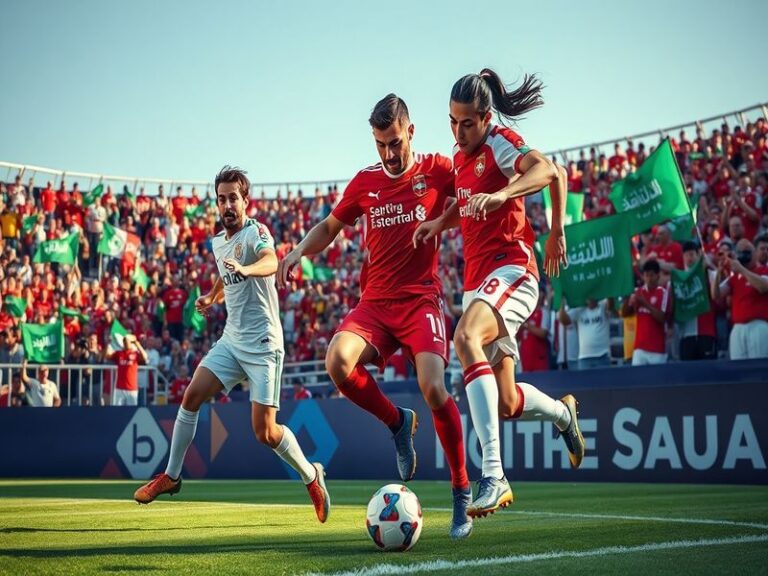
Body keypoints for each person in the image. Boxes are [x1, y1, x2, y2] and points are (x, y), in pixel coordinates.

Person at [278, 95, 472, 539]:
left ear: (411, 132)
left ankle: (461, 489)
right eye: (380, 144)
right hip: (376, 303)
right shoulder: (364, 182)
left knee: (433, 386)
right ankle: (397, 422)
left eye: (395, 142)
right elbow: (329, 226)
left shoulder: (438, 169)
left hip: (421, 299)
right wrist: (297, 251)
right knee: (337, 363)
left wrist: (442, 222)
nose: (388, 152)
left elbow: (469, 194)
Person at [413, 68, 584, 518]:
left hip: (513, 272)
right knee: (507, 402)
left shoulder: (501, 141)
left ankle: (494, 475)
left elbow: (549, 170)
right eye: (452, 121)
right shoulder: (462, 152)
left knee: (464, 338)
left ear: (486, 117)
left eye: (467, 122)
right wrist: (439, 222)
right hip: (480, 285)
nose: (458, 130)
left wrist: (555, 230)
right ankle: (564, 415)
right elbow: (470, 203)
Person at [134, 166, 330, 525]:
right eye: (221, 198)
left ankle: (310, 476)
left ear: (244, 201)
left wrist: (246, 267)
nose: (227, 204)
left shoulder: (257, 232)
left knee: (265, 432)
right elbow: (227, 274)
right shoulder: (217, 241)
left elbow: (270, 261)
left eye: (232, 198)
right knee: (191, 397)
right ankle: (172, 476)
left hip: (264, 343)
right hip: (231, 340)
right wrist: (212, 295)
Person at [712, 238, 768, 359]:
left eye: (747, 251)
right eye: (741, 252)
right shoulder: (735, 276)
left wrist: (742, 270)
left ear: (755, 253)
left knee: (757, 366)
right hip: (738, 328)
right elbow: (716, 294)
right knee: (738, 367)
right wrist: (718, 272)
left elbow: (763, 287)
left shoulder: (763, 270)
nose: (744, 255)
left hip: (758, 325)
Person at [622, 260, 671, 365]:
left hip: (657, 349)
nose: (648, 279)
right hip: (639, 348)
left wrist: (645, 304)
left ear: (658, 276)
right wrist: (629, 300)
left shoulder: (662, 293)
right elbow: (625, 314)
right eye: (646, 275)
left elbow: (662, 318)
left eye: (651, 275)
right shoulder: (638, 292)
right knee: (638, 380)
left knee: (657, 381)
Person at [677, 241, 716, 361]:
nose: (689, 258)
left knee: (709, 373)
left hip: (706, 331)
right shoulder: (678, 278)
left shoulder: (709, 273)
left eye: (692, 254)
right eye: (686, 255)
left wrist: (711, 267)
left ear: (698, 255)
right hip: (686, 334)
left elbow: (717, 293)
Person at [558, 298, 615, 369]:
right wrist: (562, 305)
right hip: (584, 358)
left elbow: (611, 305)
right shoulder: (579, 309)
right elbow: (564, 320)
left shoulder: (603, 305)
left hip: (603, 356)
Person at [106, 334, 148, 406]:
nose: (125, 342)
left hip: (132, 389)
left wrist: (137, 344)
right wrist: (109, 343)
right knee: (116, 411)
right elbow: (108, 355)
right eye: (124, 341)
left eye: (127, 341)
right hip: (119, 388)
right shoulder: (119, 353)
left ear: (131, 343)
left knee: (131, 412)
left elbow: (145, 357)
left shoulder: (135, 354)